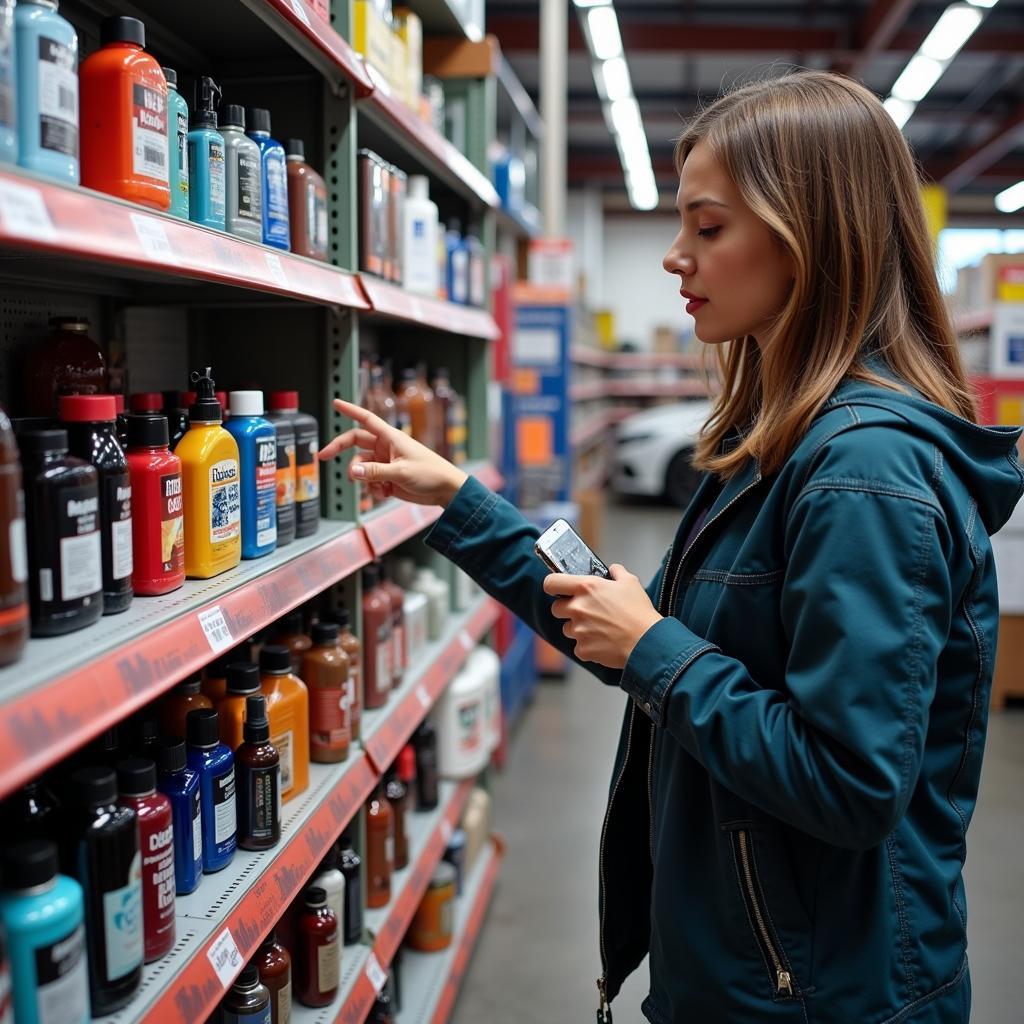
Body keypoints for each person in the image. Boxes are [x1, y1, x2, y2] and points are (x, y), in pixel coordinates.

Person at [320, 71, 1023, 1024]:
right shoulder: (781, 443)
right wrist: (461, 501)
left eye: (709, 226)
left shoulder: (865, 475)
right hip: (748, 970)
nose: (675, 258)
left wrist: (656, 648)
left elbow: (852, 785)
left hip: (823, 996)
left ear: (805, 235)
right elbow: (629, 631)